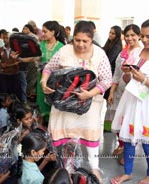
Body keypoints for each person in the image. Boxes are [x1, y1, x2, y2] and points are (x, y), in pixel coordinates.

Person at [40, 20, 112, 179]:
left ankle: (95, 170)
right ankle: (67, 170)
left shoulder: (99, 54)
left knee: (91, 136)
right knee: (65, 138)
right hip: (64, 105)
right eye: (77, 40)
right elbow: (48, 68)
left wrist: (89, 94)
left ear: (91, 39)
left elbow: (106, 80)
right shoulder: (64, 51)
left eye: (85, 41)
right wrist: (43, 82)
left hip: (89, 106)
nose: (80, 44)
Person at [111, 18, 149, 184]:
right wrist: (127, 71)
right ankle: (128, 172)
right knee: (129, 138)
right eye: (143, 36)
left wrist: (143, 80)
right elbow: (126, 79)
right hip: (132, 99)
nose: (144, 40)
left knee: (148, 142)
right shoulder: (135, 53)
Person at [105, 24, 142, 157]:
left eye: (133, 35)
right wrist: (111, 92)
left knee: (130, 121)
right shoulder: (122, 53)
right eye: (127, 35)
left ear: (139, 36)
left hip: (133, 93)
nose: (130, 38)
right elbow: (116, 74)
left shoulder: (142, 53)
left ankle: (128, 152)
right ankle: (121, 146)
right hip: (119, 91)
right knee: (117, 119)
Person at [36, 20, 65, 124]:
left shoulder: (61, 47)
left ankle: (52, 126)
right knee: (41, 100)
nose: (43, 34)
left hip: (54, 80)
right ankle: (41, 126)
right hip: (41, 78)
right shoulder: (41, 44)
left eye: (45, 31)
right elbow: (37, 59)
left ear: (52, 32)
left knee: (52, 101)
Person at [0, 31, 21, 100]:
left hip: (14, 74)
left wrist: (17, 62)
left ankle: (14, 107)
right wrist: (1, 64)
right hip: (4, 74)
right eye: (4, 38)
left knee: (14, 93)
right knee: (4, 93)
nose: (5, 40)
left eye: (7, 38)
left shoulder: (16, 50)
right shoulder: (0, 50)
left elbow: (21, 60)